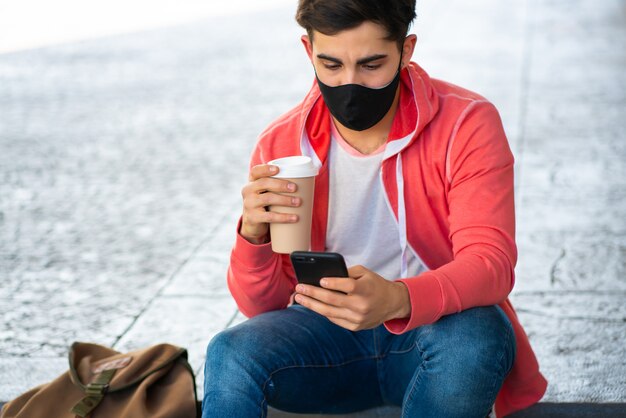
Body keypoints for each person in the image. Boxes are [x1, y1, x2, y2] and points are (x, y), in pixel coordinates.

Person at [203, 0, 547, 417]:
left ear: (406, 50)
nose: (350, 84)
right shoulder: (281, 146)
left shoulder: (466, 123)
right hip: (326, 343)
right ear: (308, 51)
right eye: (331, 65)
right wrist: (252, 238)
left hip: (433, 334)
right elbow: (264, 310)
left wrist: (397, 299)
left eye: (371, 65)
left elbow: (491, 264)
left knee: (478, 336)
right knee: (231, 351)